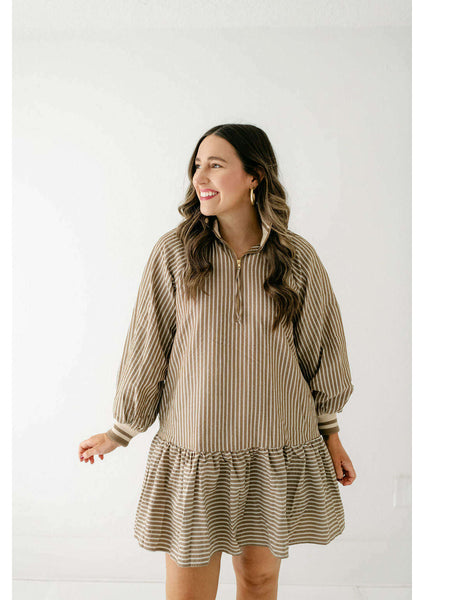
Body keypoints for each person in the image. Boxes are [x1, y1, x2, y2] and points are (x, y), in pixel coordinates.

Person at [78, 123, 356, 600]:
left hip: (274, 446)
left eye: (216, 164)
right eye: (197, 165)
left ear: (254, 176)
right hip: (198, 446)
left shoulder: (297, 258)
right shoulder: (174, 253)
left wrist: (331, 435)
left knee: (260, 581)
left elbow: (322, 350)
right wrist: (121, 430)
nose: (199, 176)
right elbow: (148, 346)